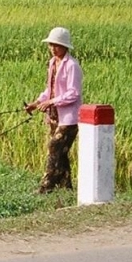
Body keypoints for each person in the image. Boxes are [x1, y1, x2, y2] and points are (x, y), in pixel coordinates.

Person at [24, 26, 82, 194]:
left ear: (65, 46)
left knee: (54, 146)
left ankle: (46, 185)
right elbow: (50, 89)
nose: (53, 48)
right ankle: (66, 187)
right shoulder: (52, 63)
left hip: (69, 118)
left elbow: (73, 93)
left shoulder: (72, 66)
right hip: (55, 116)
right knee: (61, 153)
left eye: (56, 45)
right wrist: (36, 103)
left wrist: (51, 101)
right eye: (51, 45)